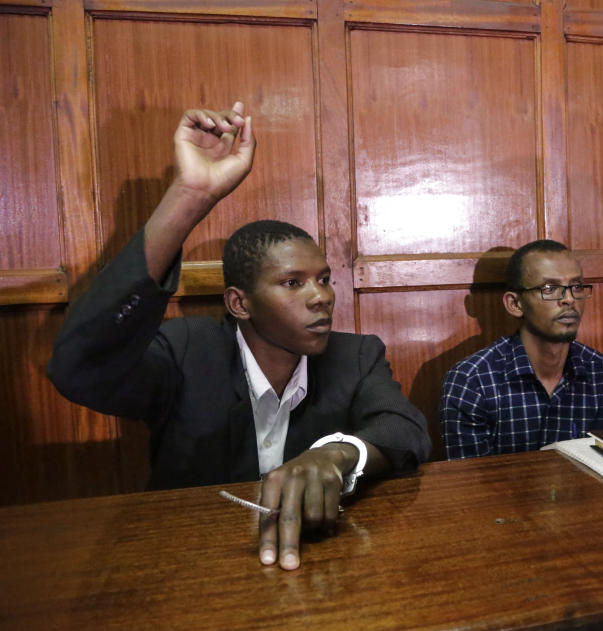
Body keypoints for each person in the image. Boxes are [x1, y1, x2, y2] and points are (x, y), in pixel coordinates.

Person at [47, 102, 430, 570]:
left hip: (319, 566)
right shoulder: (188, 350)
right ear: (239, 303)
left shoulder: (355, 354)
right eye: (293, 283)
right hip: (193, 564)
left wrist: (337, 453)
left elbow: (406, 430)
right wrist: (189, 195)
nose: (321, 297)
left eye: (324, 279)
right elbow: (79, 369)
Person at [441, 240, 603, 458]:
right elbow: (470, 482)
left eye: (577, 287)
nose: (569, 299)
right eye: (550, 289)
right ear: (515, 304)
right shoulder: (473, 381)